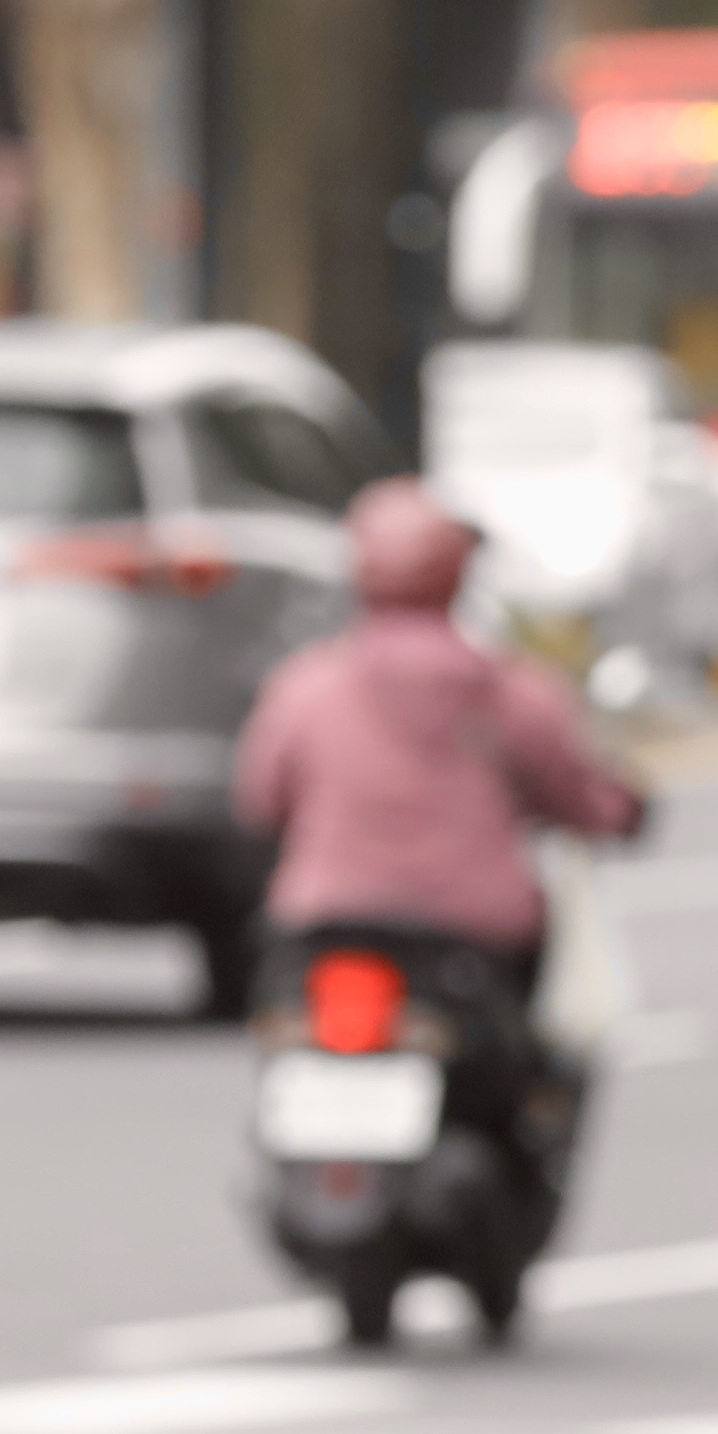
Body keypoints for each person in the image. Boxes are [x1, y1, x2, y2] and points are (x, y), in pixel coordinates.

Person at [232, 476, 655, 1178]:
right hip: (473, 943)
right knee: (544, 1069)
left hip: (318, 926)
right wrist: (623, 808)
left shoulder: (304, 686)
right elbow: (580, 795)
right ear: (458, 572)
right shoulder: (510, 690)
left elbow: (258, 800)